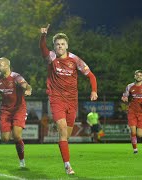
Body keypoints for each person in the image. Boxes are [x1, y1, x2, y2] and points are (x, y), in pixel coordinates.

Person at [40, 24, 98, 175]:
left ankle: (64, 151)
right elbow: (43, 49)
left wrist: (94, 90)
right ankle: (67, 165)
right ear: (54, 46)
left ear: (67, 45)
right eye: (57, 44)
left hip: (72, 101)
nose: (60, 46)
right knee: (63, 129)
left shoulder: (75, 59)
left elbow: (91, 75)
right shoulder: (51, 57)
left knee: (66, 135)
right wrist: (43, 36)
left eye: (62, 44)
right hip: (56, 98)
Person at [121, 70, 142, 154]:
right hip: (132, 111)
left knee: (139, 134)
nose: (139, 76)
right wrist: (124, 98)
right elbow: (125, 96)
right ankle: (135, 150)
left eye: (140, 75)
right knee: (133, 131)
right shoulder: (129, 86)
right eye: (137, 75)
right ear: (134, 76)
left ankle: (135, 140)